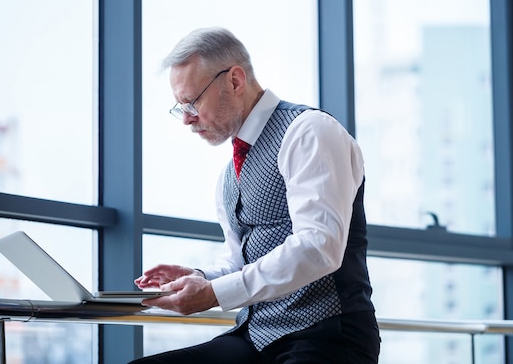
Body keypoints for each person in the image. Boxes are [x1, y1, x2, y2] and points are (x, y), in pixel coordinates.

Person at [130, 27, 380, 364]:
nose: (187, 119)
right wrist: (200, 279)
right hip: (256, 337)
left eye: (192, 102)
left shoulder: (308, 132)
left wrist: (213, 294)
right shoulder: (229, 174)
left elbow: (319, 246)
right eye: (180, 107)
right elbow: (238, 260)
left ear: (234, 80)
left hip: (327, 338)